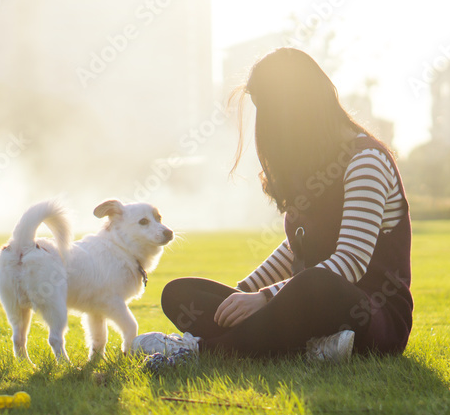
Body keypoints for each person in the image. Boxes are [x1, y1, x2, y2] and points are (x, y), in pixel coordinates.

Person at [132, 48, 414, 365]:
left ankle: (203, 351)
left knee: (315, 283)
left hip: (370, 315)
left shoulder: (366, 161)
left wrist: (266, 298)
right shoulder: (317, 165)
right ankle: (314, 348)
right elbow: (297, 248)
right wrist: (242, 294)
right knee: (179, 294)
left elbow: (351, 261)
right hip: (304, 305)